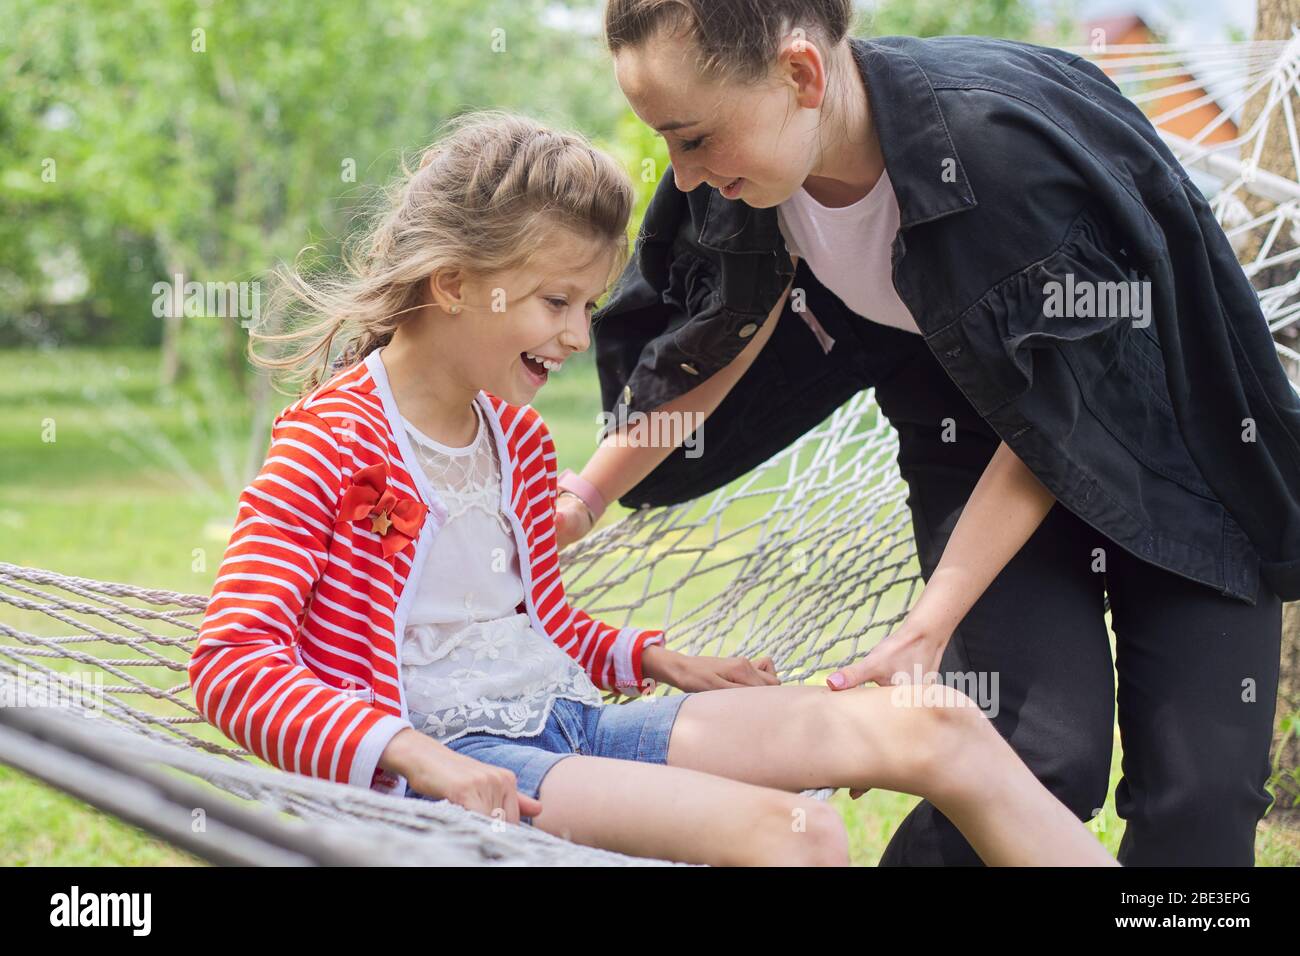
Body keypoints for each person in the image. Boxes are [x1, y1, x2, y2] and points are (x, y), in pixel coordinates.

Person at [188, 109, 1116, 866]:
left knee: (934, 721)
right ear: (454, 283)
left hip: (573, 723)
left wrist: (655, 661)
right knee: (800, 834)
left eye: (589, 305)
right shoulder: (333, 440)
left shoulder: (514, 437)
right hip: (451, 769)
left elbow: (528, 625)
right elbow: (232, 663)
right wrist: (415, 758)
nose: (577, 336)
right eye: (557, 302)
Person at [554, 0, 1299, 865]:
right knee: (1032, 752)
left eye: (692, 139)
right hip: (969, 428)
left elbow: (1063, 416)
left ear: (801, 74)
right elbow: (726, 331)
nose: (681, 176)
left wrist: (926, 627)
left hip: (1177, 439)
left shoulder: (1000, 153)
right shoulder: (750, 173)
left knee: (1200, 799)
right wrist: (588, 494)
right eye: (669, 142)